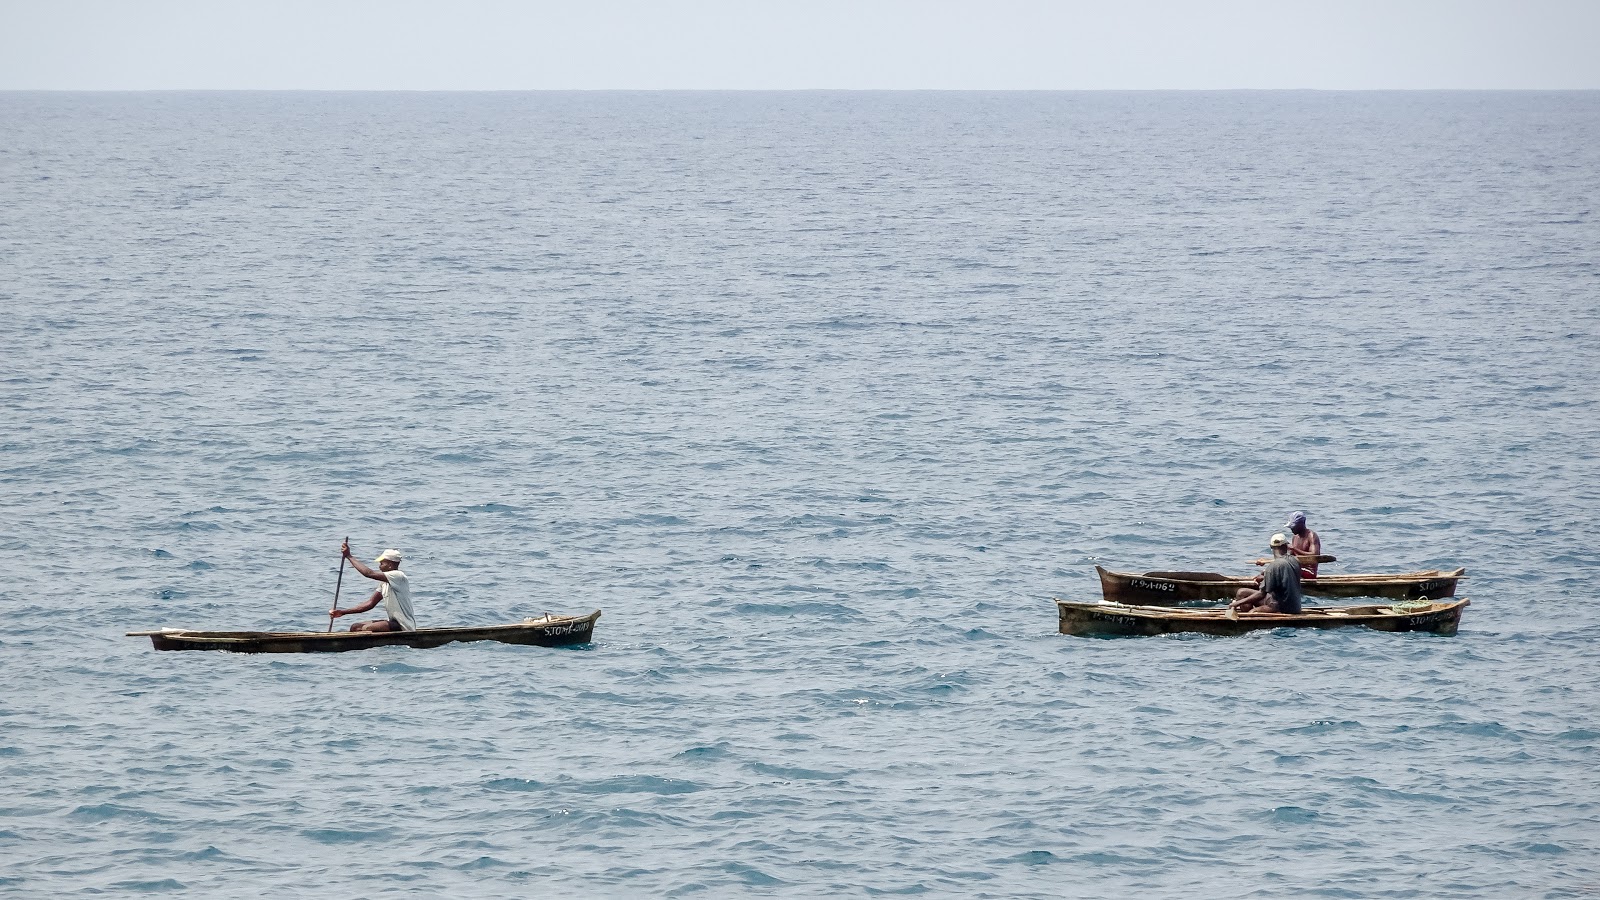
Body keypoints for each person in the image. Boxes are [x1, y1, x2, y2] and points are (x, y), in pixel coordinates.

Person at [329, 542, 416, 632]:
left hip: (403, 625)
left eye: (382, 563)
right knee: (355, 627)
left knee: (363, 628)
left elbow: (369, 573)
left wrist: (349, 556)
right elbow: (370, 603)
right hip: (393, 623)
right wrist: (343, 612)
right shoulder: (384, 583)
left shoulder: (398, 576)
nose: (379, 567)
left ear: (390, 565)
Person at [1231, 533, 1303, 614]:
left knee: (1252, 612)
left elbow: (1261, 594)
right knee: (1241, 593)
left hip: (1282, 607)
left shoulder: (1273, 567)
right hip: (1296, 606)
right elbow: (1283, 575)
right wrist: (1265, 577)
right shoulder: (1295, 561)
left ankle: (1248, 618)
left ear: (1271, 547)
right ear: (1286, 546)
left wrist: (1237, 603)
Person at [1286, 510, 1323, 578]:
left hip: (1309, 572)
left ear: (1301, 524)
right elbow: (1291, 555)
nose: (1292, 529)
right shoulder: (1295, 537)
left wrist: (1294, 548)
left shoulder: (1311, 536)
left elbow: (1314, 554)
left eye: (1293, 526)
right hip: (1297, 568)